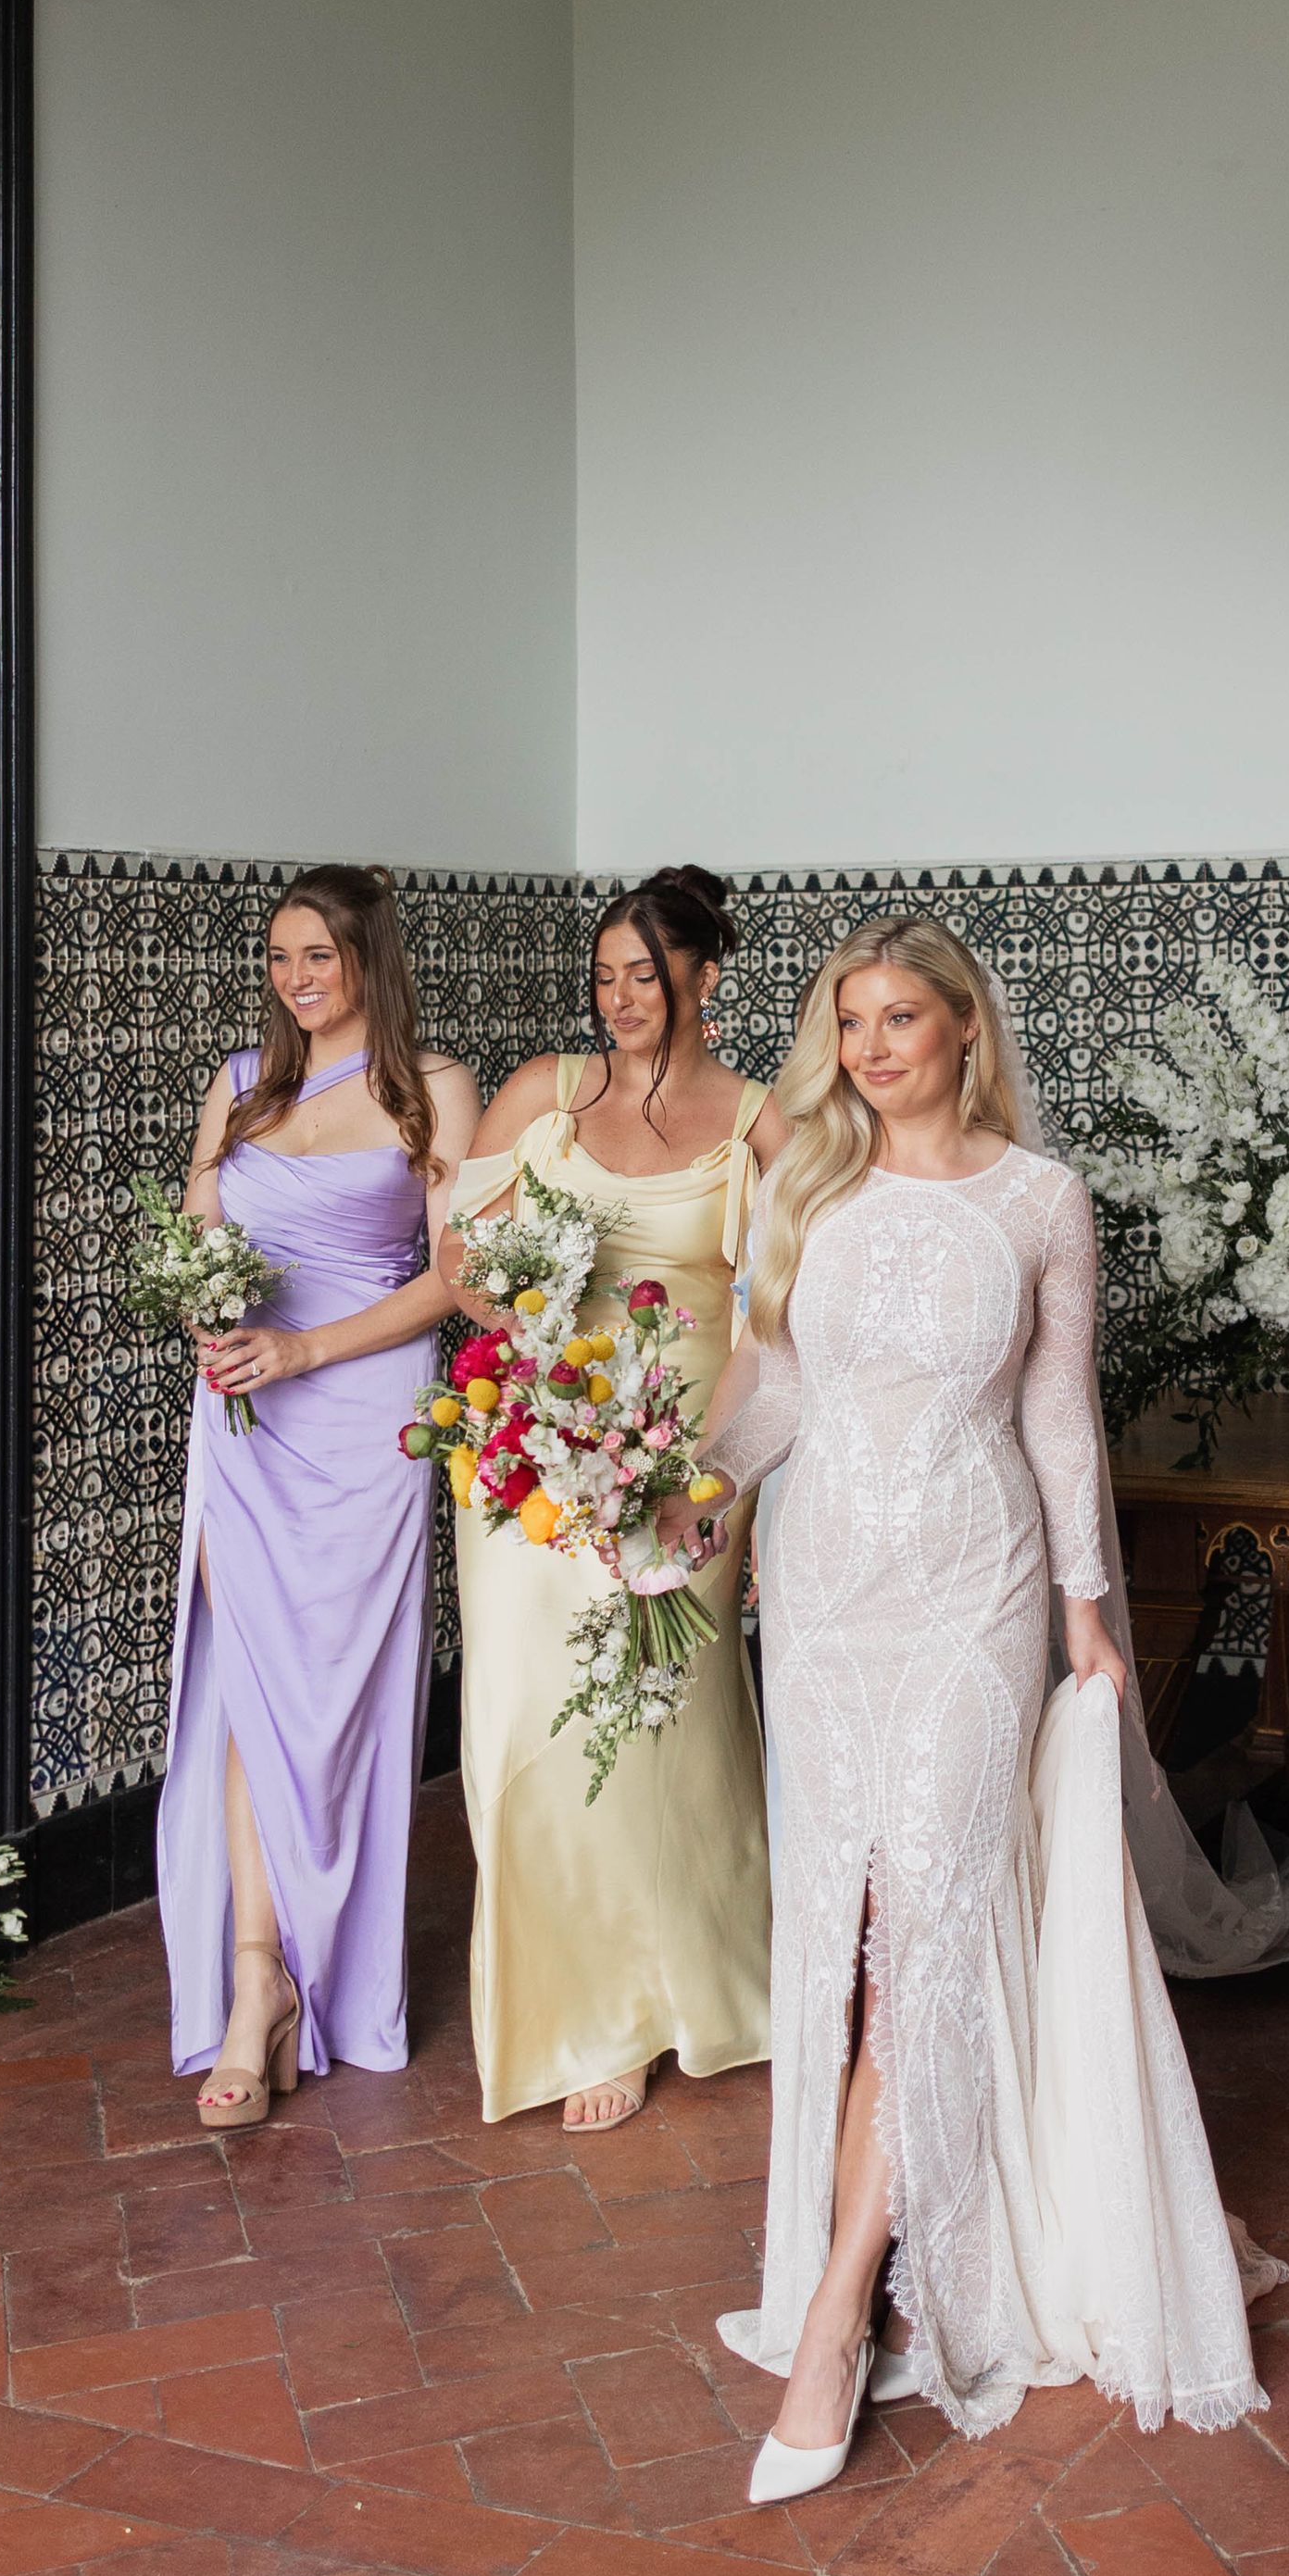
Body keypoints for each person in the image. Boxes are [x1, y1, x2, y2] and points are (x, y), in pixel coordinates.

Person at [682, 916, 1270, 2502]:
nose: (872, 1047)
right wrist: (696, 1492)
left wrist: (1087, 1605)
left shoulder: (1039, 1201)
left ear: (962, 1030)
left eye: (900, 1019)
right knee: (853, 1913)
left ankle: (829, 2327)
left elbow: (1058, 1415)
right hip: (821, 1595)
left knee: (933, 1913)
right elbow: (776, 1386)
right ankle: (873, 2247)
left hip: (977, 1590)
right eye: (849, 1021)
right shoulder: (800, 1185)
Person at [443, 869, 779, 2133]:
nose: (621, 999)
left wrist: (714, 1472)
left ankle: (668, 1992)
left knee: (662, 1719)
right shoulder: (545, 1093)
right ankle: (581, 2007)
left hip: (682, 1450)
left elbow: (775, 1325)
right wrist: (526, 1321)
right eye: (605, 978)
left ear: (701, 976)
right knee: (529, 1713)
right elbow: (459, 1262)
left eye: (646, 975)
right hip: (534, 1435)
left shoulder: (763, 1123)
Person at [157, 867, 477, 2126]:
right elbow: (196, 1228)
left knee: (332, 1701)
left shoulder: (430, 1089)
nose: (296, 980)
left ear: (369, 962)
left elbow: (452, 1281)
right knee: (246, 1683)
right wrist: (202, 1308)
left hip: (361, 1413)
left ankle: (320, 1962)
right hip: (242, 1411)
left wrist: (304, 1350)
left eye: (320, 957)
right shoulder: (240, 1084)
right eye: (281, 957)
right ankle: (255, 1983)